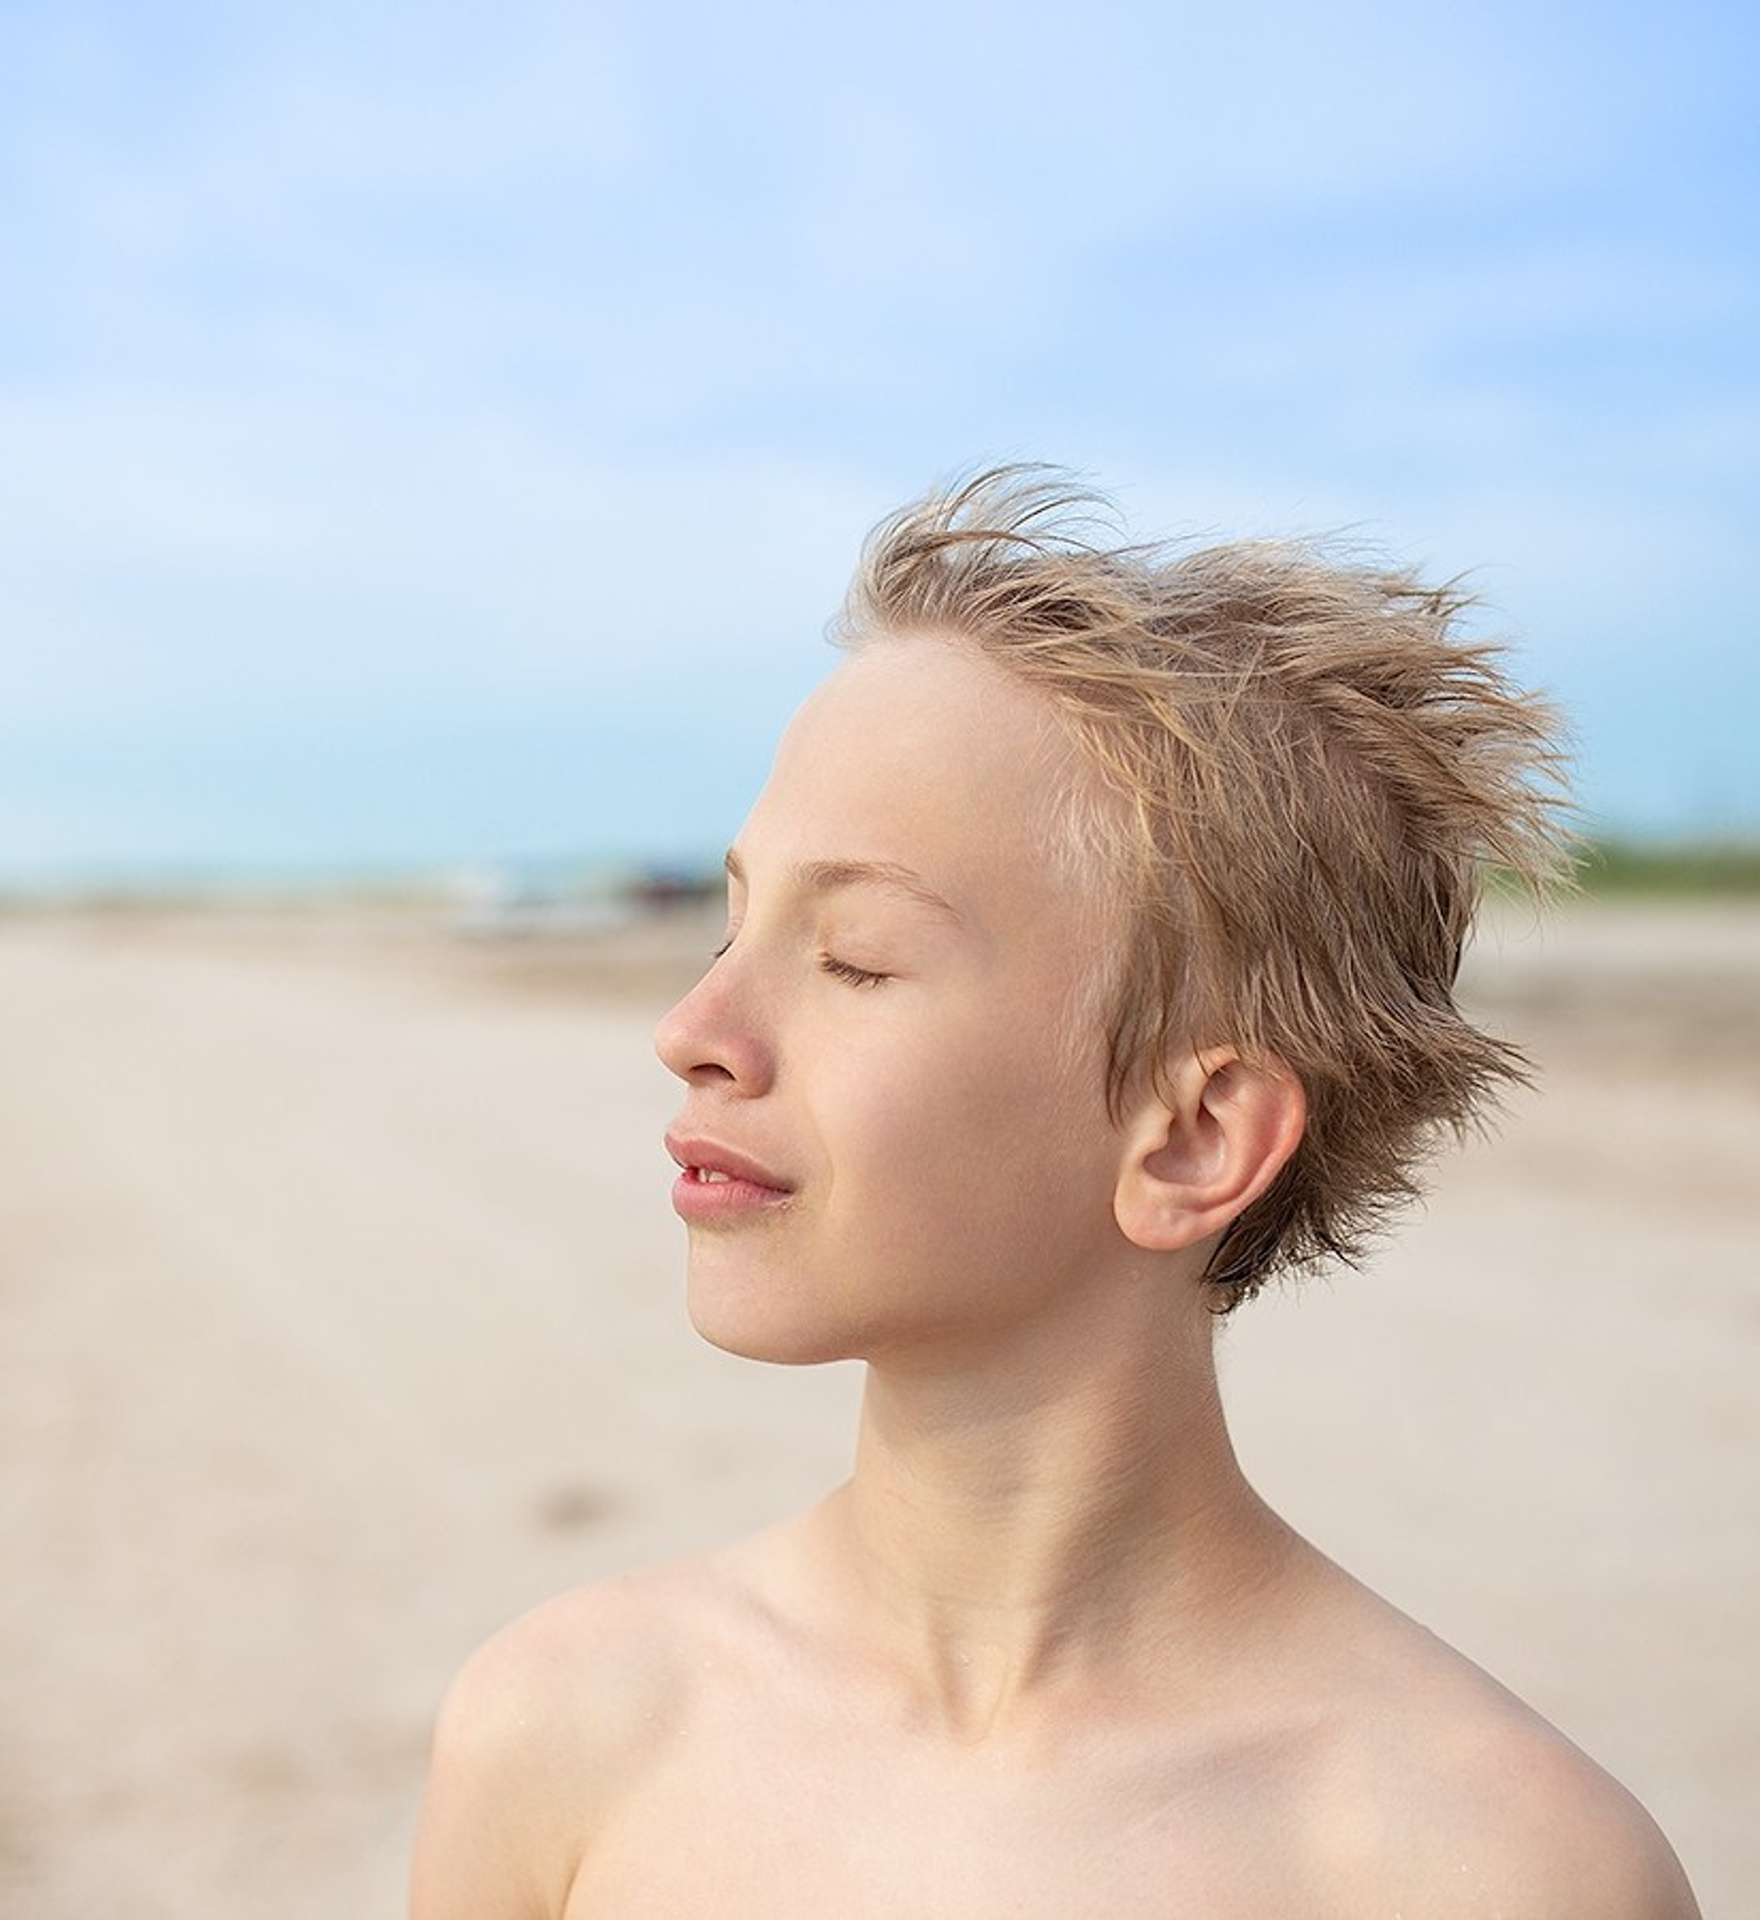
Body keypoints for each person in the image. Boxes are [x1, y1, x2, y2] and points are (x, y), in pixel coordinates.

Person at [410, 468, 1701, 1916]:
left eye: (854, 959)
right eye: (731, 924)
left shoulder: (1492, 1870)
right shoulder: (568, 1731)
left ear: (1193, 1137)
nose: (694, 1028)